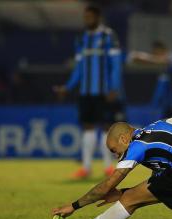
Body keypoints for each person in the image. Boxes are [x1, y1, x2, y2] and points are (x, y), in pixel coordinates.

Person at [53, 5, 125, 179]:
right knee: (88, 128)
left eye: (90, 17)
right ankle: (86, 168)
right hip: (86, 92)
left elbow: (116, 65)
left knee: (106, 128)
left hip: (104, 91)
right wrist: (68, 87)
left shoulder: (109, 36)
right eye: (85, 17)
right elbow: (79, 68)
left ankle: (108, 167)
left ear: (98, 17)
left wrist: (114, 88)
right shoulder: (81, 39)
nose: (87, 20)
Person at [129, 41, 172, 118]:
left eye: (155, 52)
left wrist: (138, 56)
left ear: (161, 49)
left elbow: (157, 60)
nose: (154, 54)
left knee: (167, 126)